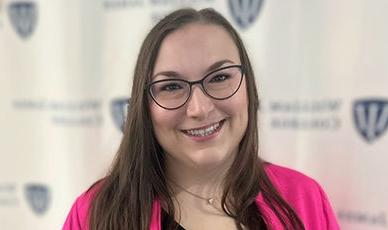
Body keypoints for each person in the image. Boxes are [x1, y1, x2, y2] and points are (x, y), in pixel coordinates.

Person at [63, 8, 339, 230]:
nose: (199, 108)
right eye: (171, 86)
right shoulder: (94, 215)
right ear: (144, 106)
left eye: (220, 77)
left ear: (249, 87)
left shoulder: (304, 199)